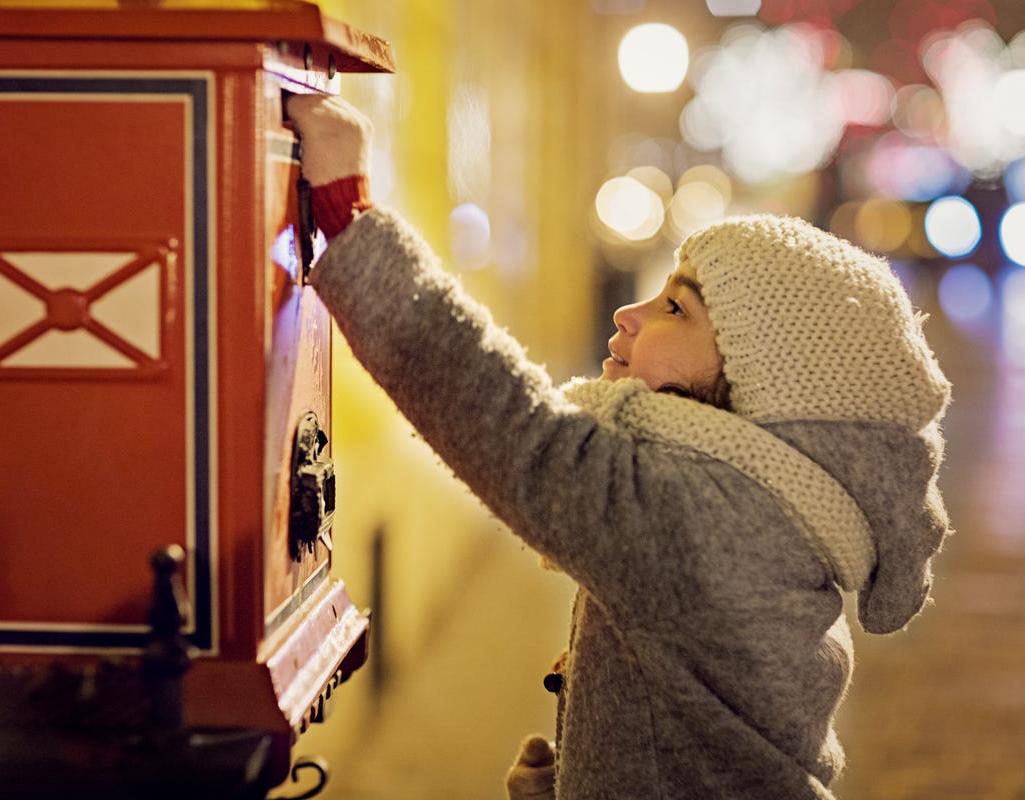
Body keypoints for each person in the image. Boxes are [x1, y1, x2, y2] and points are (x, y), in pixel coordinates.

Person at [285, 93, 952, 800]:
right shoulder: (763, 514)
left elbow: (513, 430)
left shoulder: (714, 521)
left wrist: (349, 214)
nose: (628, 314)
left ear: (761, 387)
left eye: (674, 308)